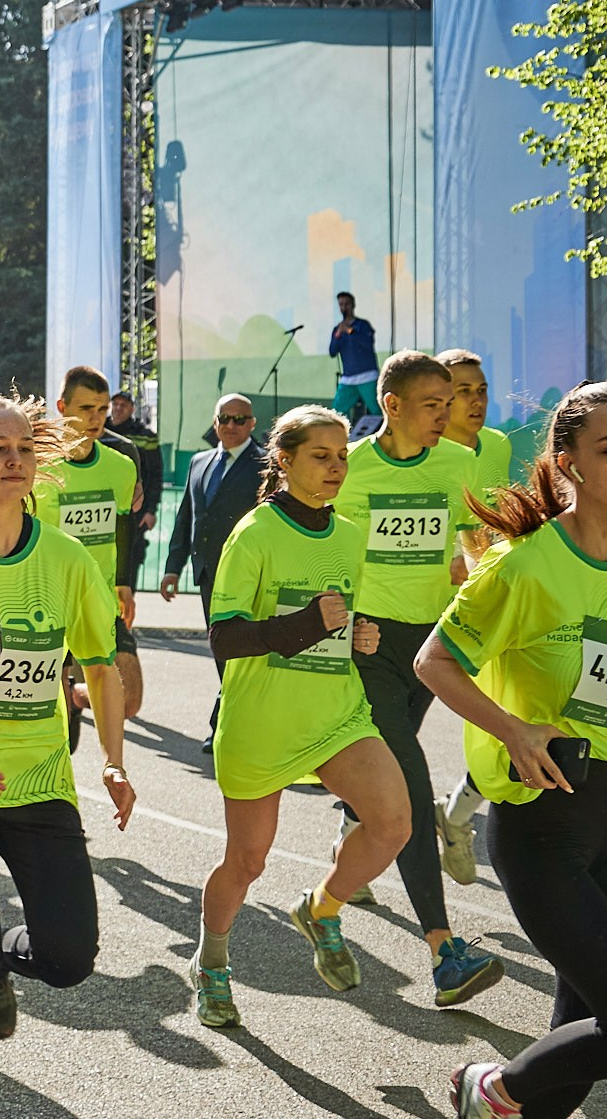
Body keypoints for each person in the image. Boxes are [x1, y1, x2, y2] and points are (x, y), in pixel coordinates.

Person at [417, 381, 607, 1119]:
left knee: (577, 1049)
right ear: (569, 462)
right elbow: (434, 661)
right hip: (541, 816)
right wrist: (513, 728)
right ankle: (486, 1086)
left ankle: (508, 1103)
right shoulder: (523, 565)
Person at [0, 394, 133, 1117]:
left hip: (39, 780)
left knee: (70, 959)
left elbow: (99, 664)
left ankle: (2, 955)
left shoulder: (66, 559)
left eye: (24, 449)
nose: (14, 459)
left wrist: (113, 758)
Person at [190, 405, 410, 1028]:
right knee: (247, 862)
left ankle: (323, 906)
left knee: (394, 823)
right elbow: (226, 638)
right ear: (283, 461)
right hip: (263, 719)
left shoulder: (347, 534)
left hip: (337, 713)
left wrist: (359, 634)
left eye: (343, 455)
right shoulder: (254, 534)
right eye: (322, 455)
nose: (337, 466)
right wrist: (312, 623)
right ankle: (211, 963)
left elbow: (345, 616)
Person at [330, 350, 504, 1004]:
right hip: (370, 643)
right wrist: (344, 624)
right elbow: (322, 550)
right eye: (435, 402)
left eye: (452, 400)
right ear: (393, 406)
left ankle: (328, 888)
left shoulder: (459, 464)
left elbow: (475, 546)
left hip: (432, 647)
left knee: (384, 794)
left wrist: (475, 577)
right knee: (407, 782)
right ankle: (443, 949)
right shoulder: (352, 469)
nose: (449, 412)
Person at [431, 348, 517, 885]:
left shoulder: (499, 446)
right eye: (463, 391)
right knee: (393, 736)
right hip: (420, 614)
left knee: (509, 719)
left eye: (481, 390)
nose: (475, 401)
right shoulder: (425, 452)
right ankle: (357, 847)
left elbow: (496, 524)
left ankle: (456, 817)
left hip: (492, 605)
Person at [160, 393, 265, 749]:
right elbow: (186, 517)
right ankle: (230, 718)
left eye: (240, 419)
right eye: (224, 418)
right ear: (215, 422)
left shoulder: (265, 462)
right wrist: (172, 567)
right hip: (208, 572)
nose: (231, 426)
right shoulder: (199, 462)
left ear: (252, 424)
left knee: (245, 649)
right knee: (222, 649)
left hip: (251, 574)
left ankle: (225, 720)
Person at [43, 367, 144, 722]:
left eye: (102, 409)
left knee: (129, 699)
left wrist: (124, 583)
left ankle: (74, 694)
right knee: (59, 735)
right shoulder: (36, 467)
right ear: (61, 406)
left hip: (99, 599)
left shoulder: (121, 464)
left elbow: (123, 526)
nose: (96, 418)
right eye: (86, 409)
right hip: (48, 602)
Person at [108, 389, 162, 583]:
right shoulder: (99, 430)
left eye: (123, 405)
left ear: (132, 409)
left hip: (134, 511)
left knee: (129, 561)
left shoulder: (145, 436)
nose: (118, 408)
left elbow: (155, 475)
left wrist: (150, 510)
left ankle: (124, 609)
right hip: (104, 507)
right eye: (115, 404)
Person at [329, 292, 379, 422]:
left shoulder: (362, 325)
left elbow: (367, 344)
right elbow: (332, 352)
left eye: (346, 304)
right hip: (349, 378)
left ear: (353, 305)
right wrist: (338, 335)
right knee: (336, 412)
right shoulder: (338, 328)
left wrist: (350, 331)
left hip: (367, 375)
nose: (344, 308)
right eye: (341, 305)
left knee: (377, 410)